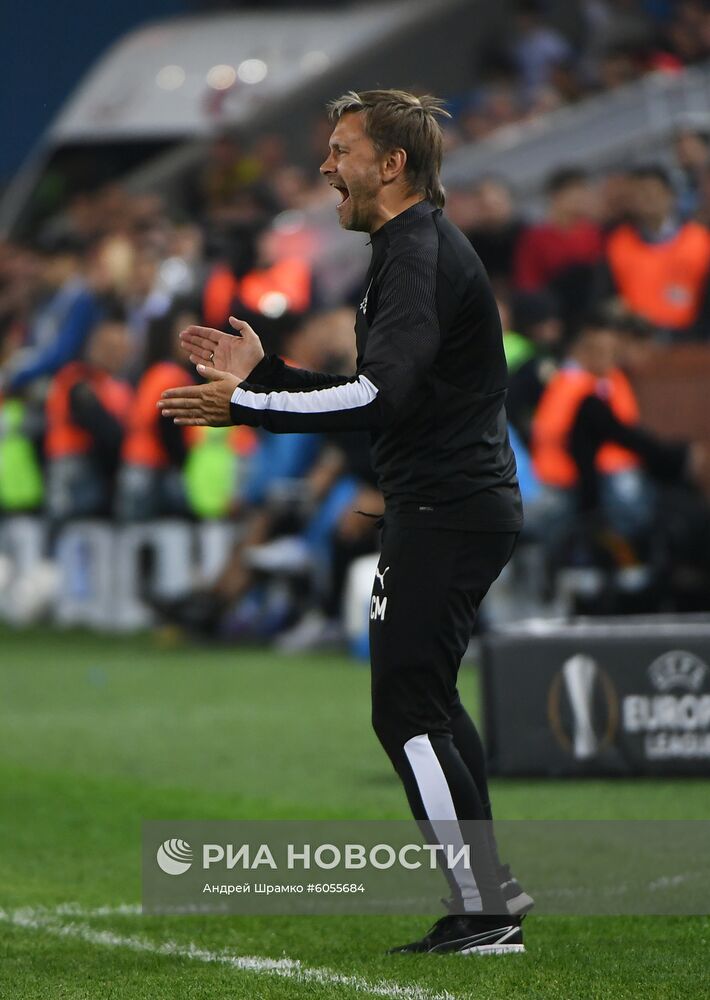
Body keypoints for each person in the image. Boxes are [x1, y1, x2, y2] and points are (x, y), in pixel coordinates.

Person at [159, 89, 529, 955]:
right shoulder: (411, 246)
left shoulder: (417, 250)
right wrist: (271, 375)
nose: (325, 166)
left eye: (340, 150)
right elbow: (384, 393)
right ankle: (489, 896)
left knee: (407, 710)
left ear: (391, 164)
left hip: (447, 507)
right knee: (427, 701)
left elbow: (377, 398)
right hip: (449, 504)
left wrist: (249, 403)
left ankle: (483, 913)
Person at [603, 165, 710, 339]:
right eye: (640, 194)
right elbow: (607, 295)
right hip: (637, 340)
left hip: (695, 339)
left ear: (670, 195)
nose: (648, 199)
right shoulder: (618, 243)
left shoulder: (701, 239)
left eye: (653, 192)